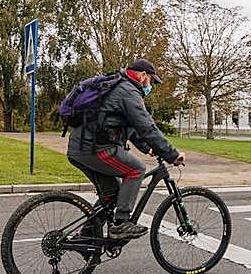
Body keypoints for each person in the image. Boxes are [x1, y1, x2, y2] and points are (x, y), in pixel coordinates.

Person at [66, 58, 185, 240]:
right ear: (143, 76)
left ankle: (88, 234)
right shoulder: (128, 91)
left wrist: (148, 148)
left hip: (81, 147)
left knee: (111, 192)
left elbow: (125, 126)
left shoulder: (119, 85)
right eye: (152, 81)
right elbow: (146, 126)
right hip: (98, 148)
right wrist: (172, 154)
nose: (150, 86)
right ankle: (121, 224)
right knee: (136, 170)